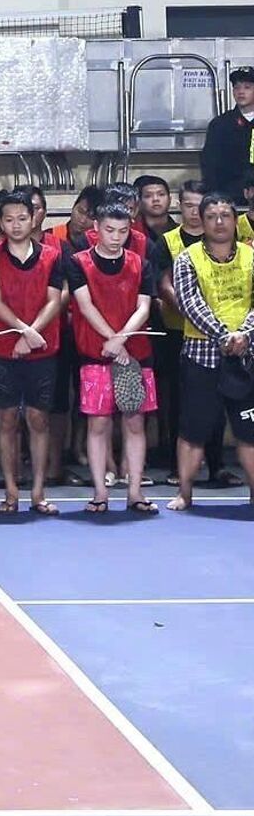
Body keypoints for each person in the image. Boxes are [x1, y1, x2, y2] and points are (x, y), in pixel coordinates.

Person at [67, 203, 159, 513]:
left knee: (135, 423)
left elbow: (143, 308)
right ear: (96, 227)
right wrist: (112, 341)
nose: (116, 237)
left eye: (122, 231)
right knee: (98, 424)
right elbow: (85, 306)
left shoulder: (140, 264)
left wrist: (120, 340)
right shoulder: (78, 263)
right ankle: (100, 492)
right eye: (109, 230)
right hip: (95, 354)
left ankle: (135, 492)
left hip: (136, 354)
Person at [0, 192, 67, 514]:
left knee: (38, 418)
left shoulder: (52, 256)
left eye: (22, 218)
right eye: (9, 219)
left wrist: (31, 335)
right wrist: (22, 331)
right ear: (0, 224)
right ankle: (11, 491)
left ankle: (38, 492)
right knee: (6, 419)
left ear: (34, 219)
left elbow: (54, 301)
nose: (16, 225)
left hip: (42, 347)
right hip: (2, 347)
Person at [169, 193, 254, 510]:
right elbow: (189, 304)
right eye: (212, 217)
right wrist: (223, 335)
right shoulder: (187, 258)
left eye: (225, 216)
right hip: (201, 356)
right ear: (201, 222)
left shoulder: (252, 256)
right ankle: (185, 493)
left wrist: (244, 334)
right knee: (193, 432)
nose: (219, 222)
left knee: (250, 433)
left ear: (235, 220)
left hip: (246, 356)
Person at [200, 66, 254, 197]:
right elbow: (210, 166)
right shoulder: (220, 125)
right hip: (230, 196)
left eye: (247, 87)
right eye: (236, 87)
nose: (241, 92)